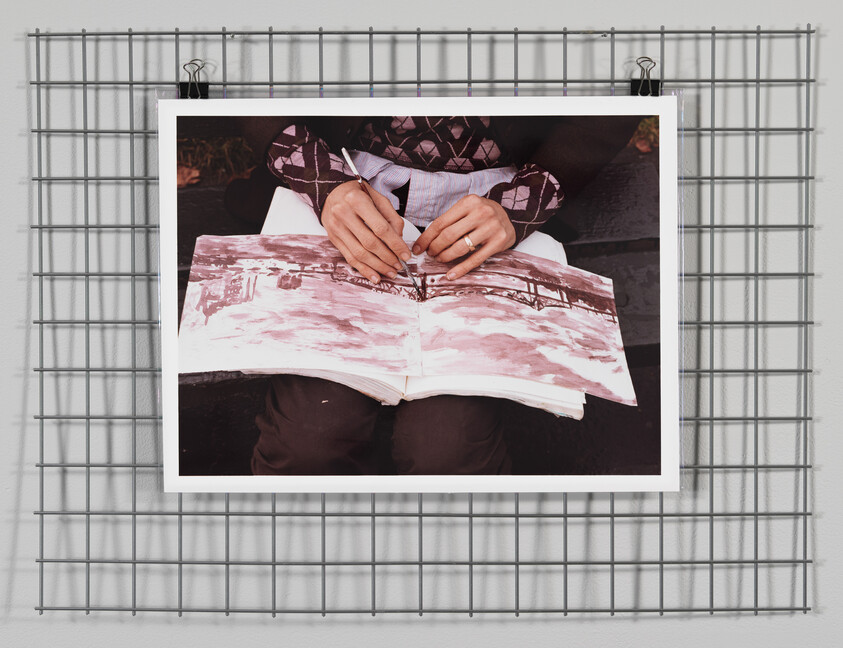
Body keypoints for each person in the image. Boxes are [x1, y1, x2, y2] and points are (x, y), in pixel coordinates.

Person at [243, 114, 640, 476]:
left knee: (448, 453)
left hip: (498, 201)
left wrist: (520, 204)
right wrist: (323, 183)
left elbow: (609, 109)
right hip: (345, 183)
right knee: (308, 446)